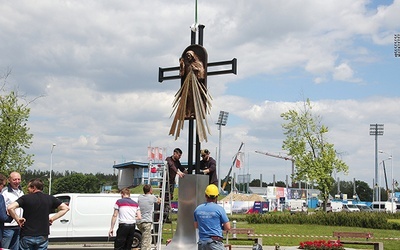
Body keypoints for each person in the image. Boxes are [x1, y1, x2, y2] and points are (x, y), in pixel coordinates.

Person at [7, 178, 70, 250]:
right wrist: (53, 218)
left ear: (33, 188)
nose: (27, 189)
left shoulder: (25, 198)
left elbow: (10, 208)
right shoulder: (50, 198)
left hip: (27, 234)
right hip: (43, 234)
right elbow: (65, 208)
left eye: (29, 187)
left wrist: (17, 219)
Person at [194, 184, 230, 250]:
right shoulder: (219, 209)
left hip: (202, 243)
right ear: (217, 196)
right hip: (215, 243)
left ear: (205, 195)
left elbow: (196, 226)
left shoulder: (197, 209)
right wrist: (220, 227)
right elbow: (227, 227)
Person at [163, 148, 186, 222]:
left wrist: (188, 173)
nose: (180, 157)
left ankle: (166, 217)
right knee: (165, 199)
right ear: (174, 153)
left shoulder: (177, 162)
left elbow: (182, 168)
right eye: (179, 155)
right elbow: (172, 166)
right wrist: (178, 172)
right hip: (165, 182)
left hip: (171, 183)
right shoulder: (168, 159)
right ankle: (162, 216)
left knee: (169, 199)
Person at [2, 171, 24, 250]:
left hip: (18, 226)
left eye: (19, 179)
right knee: (5, 248)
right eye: (14, 180)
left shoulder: (21, 191)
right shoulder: (5, 192)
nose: (17, 182)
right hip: (8, 227)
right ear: (9, 180)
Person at [137, 184, 160, 250]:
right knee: (146, 241)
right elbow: (159, 202)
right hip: (146, 221)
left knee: (147, 237)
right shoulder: (152, 197)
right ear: (150, 190)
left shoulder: (140, 197)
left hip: (139, 222)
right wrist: (159, 198)